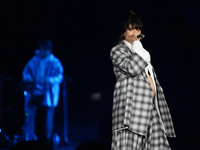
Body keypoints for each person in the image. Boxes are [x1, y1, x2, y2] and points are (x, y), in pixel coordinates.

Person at [110, 11, 176, 150]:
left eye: (138, 28)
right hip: (131, 112)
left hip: (150, 109)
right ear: (123, 33)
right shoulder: (117, 50)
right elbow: (132, 68)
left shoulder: (141, 51)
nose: (135, 32)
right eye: (131, 28)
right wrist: (137, 46)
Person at [22, 39, 63, 141]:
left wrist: (49, 80)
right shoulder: (35, 60)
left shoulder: (54, 62)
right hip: (35, 92)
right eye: (41, 49)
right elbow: (26, 72)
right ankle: (30, 138)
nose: (42, 51)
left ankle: (47, 139)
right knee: (30, 114)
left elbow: (59, 77)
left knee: (48, 118)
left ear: (49, 50)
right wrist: (29, 80)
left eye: (44, 50)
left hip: (48, 94)